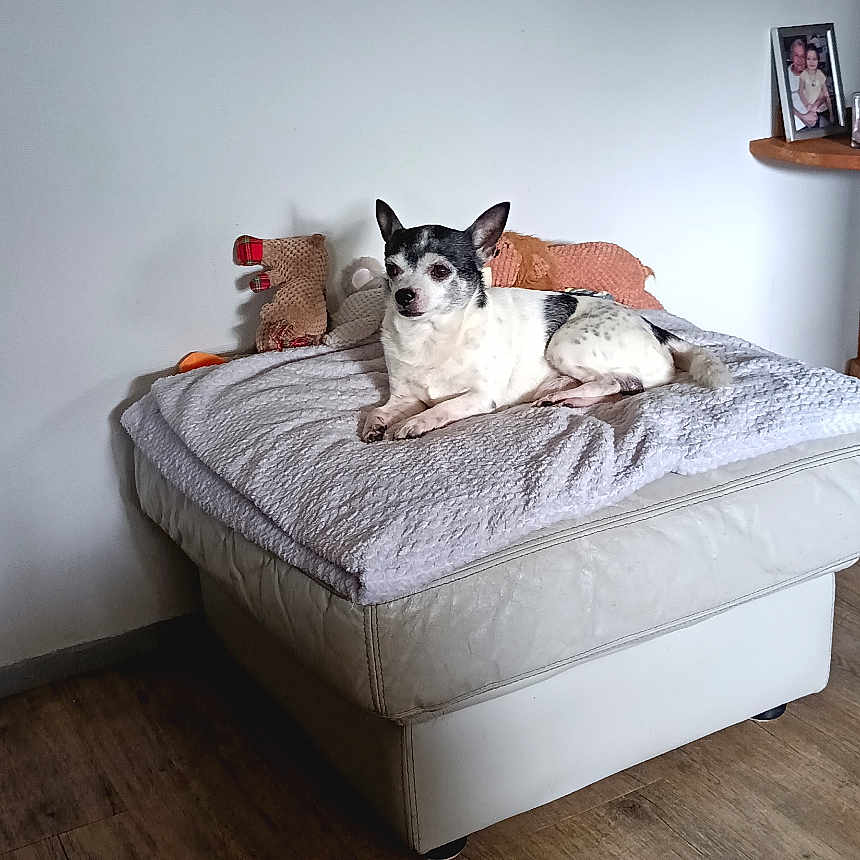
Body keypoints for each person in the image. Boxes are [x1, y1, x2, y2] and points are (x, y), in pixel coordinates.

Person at [786, 38, 819, 130]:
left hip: (810, 125)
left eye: (803, 56)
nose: (800, 60)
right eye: (796, 55)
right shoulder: (783, 74)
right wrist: (802, 116)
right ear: (791, 56)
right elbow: (782, 103)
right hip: (792, 126)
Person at [799, 45, 833, 125]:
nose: (811, 62)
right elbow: (800, 92)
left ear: (818, 60)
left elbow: (826, 95)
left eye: (814, 59)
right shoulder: (803, 74)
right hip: (810, 110)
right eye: (808, 59)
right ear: (805, 60)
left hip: (822, 109)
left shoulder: (820, 74)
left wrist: (831, 114)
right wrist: (807, 105)